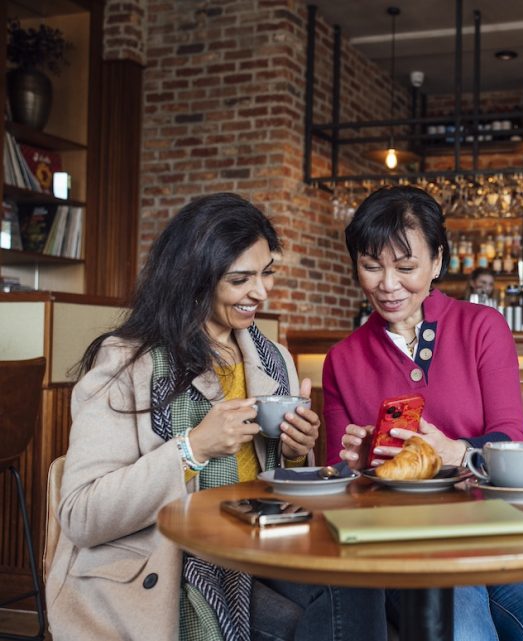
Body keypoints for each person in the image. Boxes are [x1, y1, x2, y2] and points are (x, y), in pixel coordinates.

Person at [46, 193, 385, 641]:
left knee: (363, 582)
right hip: (173, 558)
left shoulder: (274, 359)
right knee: (303, 624)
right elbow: (82, 514)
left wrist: (294, 449)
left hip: (258, 543)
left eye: (266, 273)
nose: (260, 293)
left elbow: (277, 489)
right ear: (193, 278)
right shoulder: (129, 363)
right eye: (240, 279)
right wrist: (192, 449)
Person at [323, 185, 523, 641]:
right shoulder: (342, 360)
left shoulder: (481, 328)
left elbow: (509, 437)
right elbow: (339, 488)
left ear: (437, 264)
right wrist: (357, 465)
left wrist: (456, 452)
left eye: (406, 267)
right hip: (404, 543)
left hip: (499, 525)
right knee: (464, 633)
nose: (388, 285)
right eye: (371, 267)